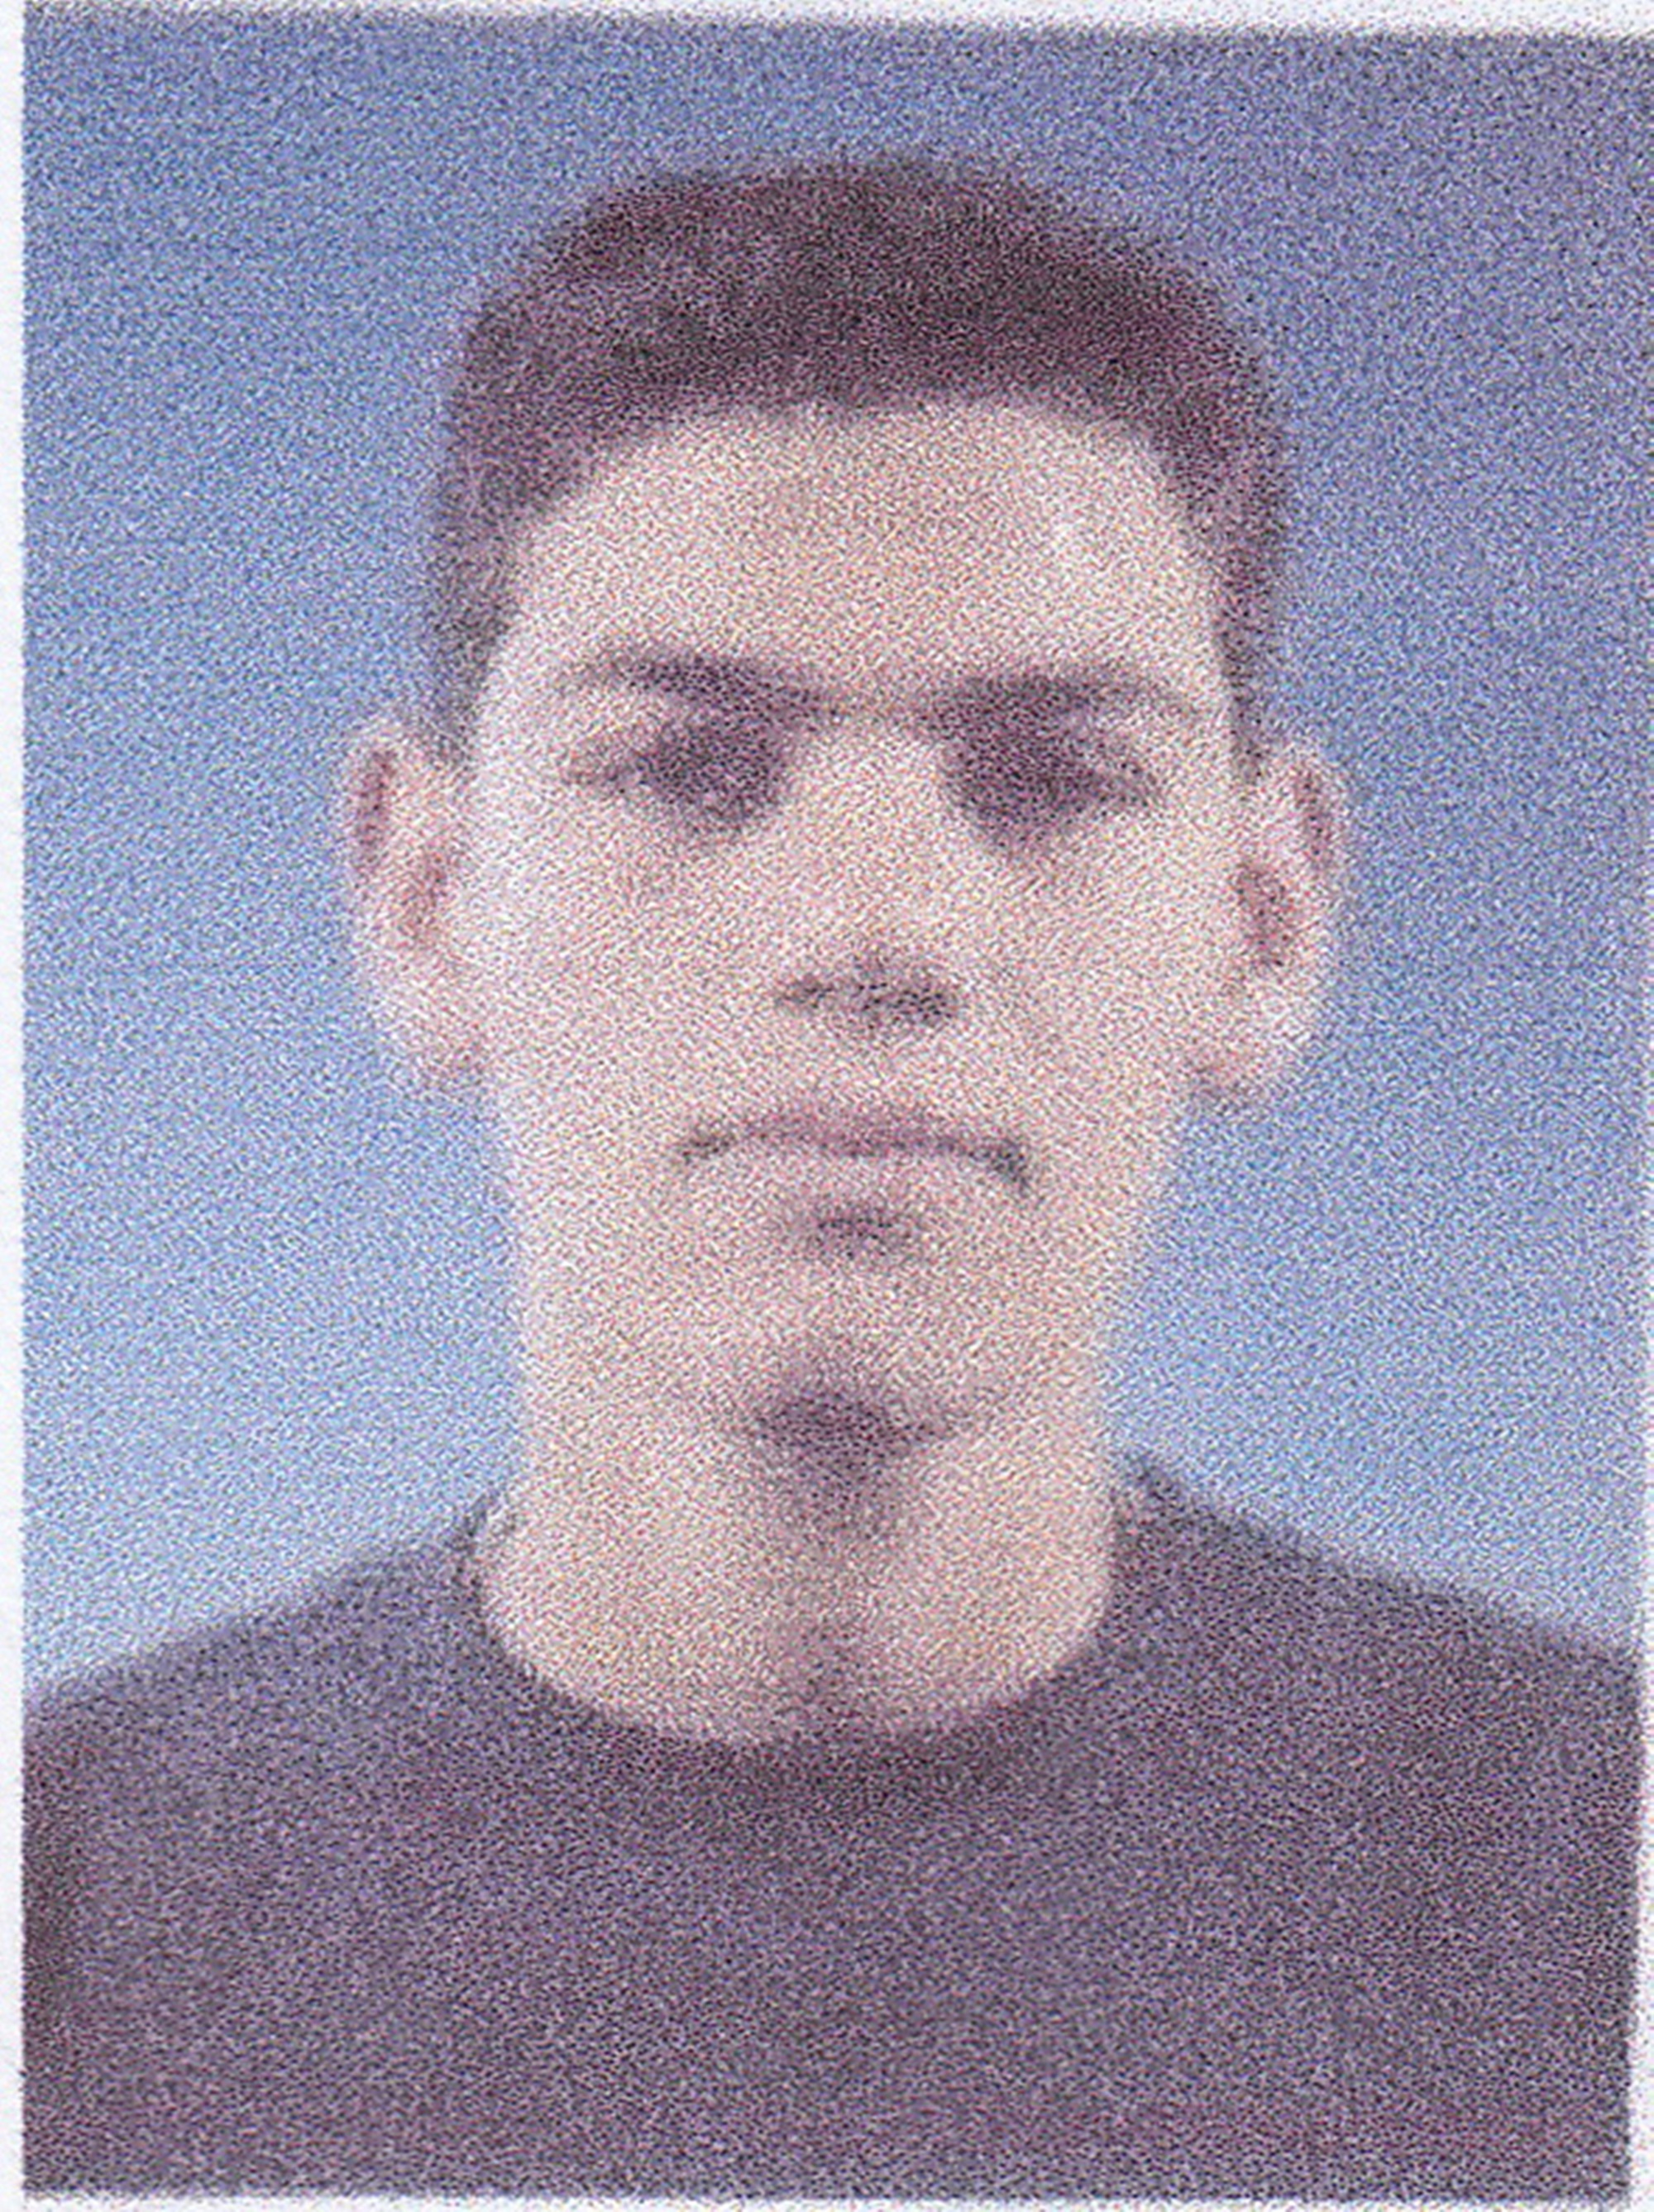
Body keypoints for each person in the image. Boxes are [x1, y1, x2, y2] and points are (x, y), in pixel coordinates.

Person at [25, 155, 1635, 2199]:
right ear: (426, 895)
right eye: (682, 766)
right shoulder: (57, 1908)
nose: (872, 927)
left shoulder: (1588, 1877)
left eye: (1053, 776)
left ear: (1262, 918)